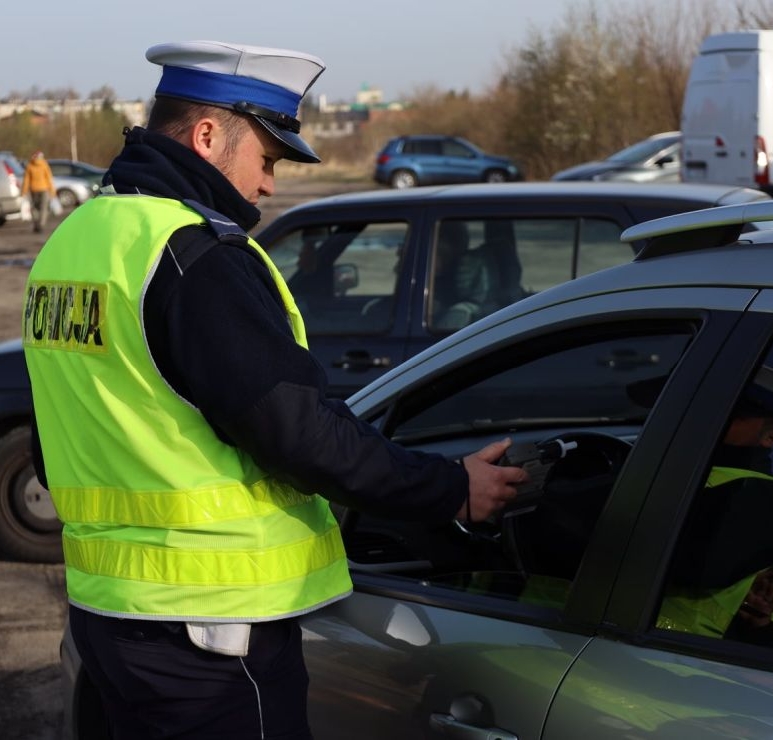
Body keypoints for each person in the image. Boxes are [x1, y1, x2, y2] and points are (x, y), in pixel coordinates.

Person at [21, 40, 527, 740]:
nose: (268, 187)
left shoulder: (72, 244)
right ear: (206, 136)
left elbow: (62, 444)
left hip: (109, 619)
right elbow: (301, 433)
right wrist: (449, 489)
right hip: (212, 632)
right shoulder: (193, 253)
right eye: (267, 158)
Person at [657, 365, 773, 643]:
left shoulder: (761, 497)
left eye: (732, 412)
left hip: (673, 666)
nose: (703, 418)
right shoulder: (682, 467)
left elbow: (652, 551)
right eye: (694, 405)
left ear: (771, 438)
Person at [21, 150, 56, 233]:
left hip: (33, 190)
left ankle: (36, 223)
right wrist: (52, 191)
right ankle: (41, 224)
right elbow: (49, 178)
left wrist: (24, 191)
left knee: (34, 207)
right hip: (44, 189)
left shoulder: (30, 165)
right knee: (43, 208)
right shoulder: (44, 165)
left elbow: (26, 180)